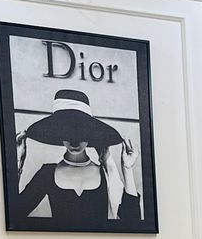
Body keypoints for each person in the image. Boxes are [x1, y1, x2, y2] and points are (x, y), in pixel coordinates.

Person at [14, 88, 142, 230]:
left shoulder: (106, 174)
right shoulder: (47, 173)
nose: (74, 140)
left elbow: (133, 222)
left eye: (80, 131)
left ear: (90, 133)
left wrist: (127, 168)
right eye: (67, 131)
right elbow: (14, 215)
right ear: (58, 132)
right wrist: (17, 161)